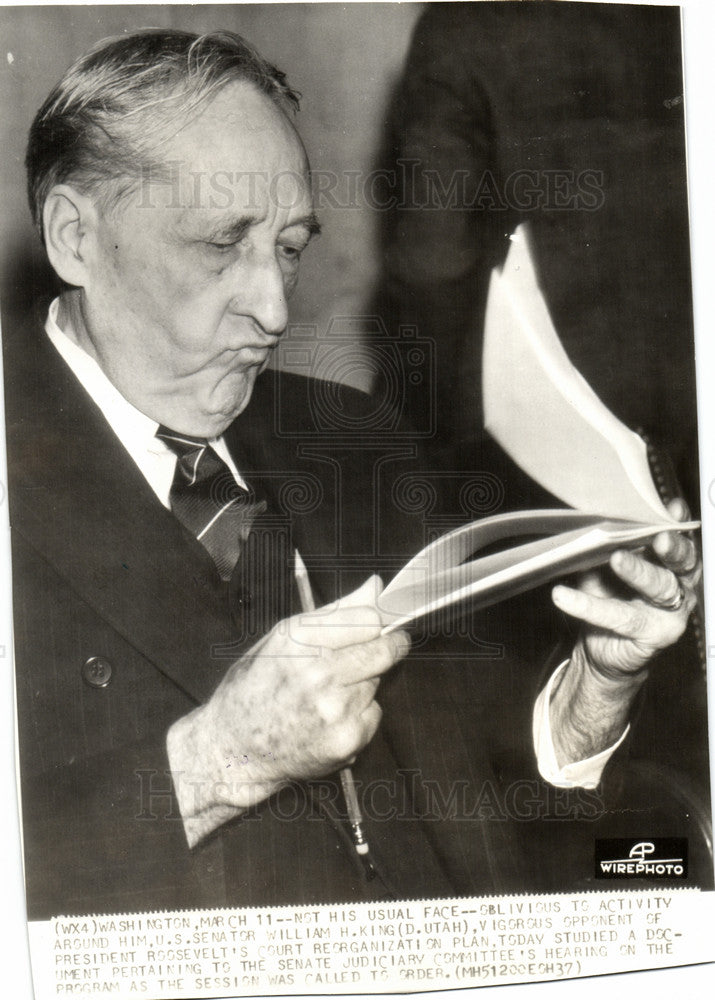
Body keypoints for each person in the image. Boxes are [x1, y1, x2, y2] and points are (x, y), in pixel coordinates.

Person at [2, 28, 704, 920]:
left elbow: (489, 790)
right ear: (75, 238)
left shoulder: (352, 438)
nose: (275, 307)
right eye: (224, 244)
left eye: (290, 247)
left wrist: (593, 689)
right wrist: (217, 762)